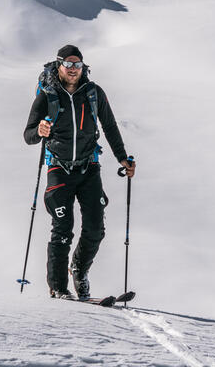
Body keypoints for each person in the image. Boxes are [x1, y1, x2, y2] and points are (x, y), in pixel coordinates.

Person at [24, 44, 135, 300]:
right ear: (59, 65)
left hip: (88, 168)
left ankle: (80, 271)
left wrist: (122, 159)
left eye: (78, 64)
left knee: (96, 228)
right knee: (62, 228)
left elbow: (109, 126)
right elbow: (28, 134)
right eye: (69, 64)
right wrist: (39, 131)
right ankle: (59, 288)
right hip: (58, 168)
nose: (74, 69)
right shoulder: (48, 95)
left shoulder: (94, 93)